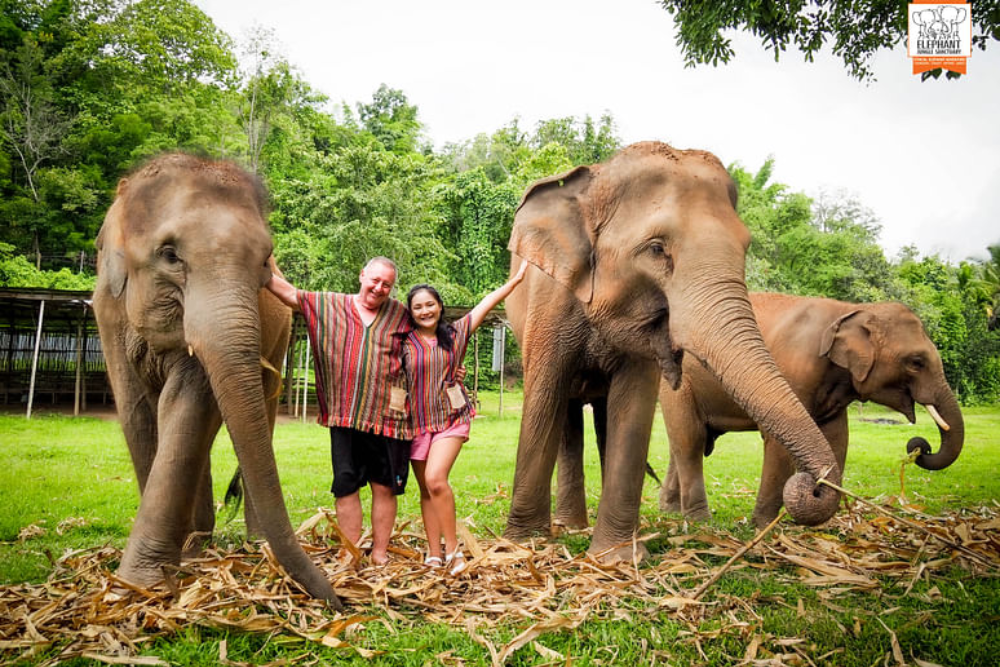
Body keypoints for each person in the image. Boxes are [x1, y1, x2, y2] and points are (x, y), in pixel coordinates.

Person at [266, 257, 412, 566]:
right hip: (344, 415)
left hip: (389, 418)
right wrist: (258, 265)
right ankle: (350, 551)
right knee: (346, 486)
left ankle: (380, 554)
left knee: (384, 487)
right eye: (374, 280)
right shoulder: (329, 305)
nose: (379, 288)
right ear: (362, 275)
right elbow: (290, 294)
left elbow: (432, 340)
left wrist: (454, 368)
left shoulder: (402, 314)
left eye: (387, 284)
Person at [403, 260, 528, 575]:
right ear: (410, 312)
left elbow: (486, 304)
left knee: (436, 479)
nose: (425, 311)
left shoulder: (456, 334)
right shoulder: (402, 342)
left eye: (430, 304)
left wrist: (516, 280)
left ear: (440, 306)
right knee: (426, 490)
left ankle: (454, 550)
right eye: (418, 307)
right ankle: (434, 552)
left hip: (451, 418)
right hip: (415, 423)